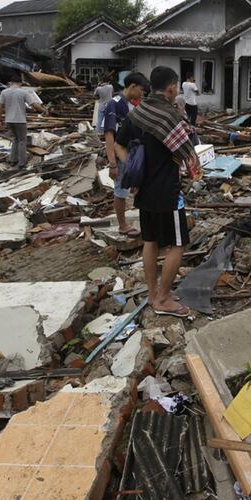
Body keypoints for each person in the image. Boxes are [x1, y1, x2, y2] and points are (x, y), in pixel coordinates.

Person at [115, 66, 201, 317]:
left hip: (144, 191)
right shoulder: (169, 117)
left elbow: (120, 146)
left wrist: (133, 167)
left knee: (150, 242)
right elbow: (190, 157)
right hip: (168, 192)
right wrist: (195, 170)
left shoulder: (137, 114)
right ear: (172, 88)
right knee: (177, 244)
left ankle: (153, 292)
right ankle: (163, 299)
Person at [103, 72, 149, 237]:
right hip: (119, 154)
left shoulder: (133, 105)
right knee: (120, 190)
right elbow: (109, 134)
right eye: (141, 90)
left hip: (133, 153)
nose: (142, 94)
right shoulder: (114, 104)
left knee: (137, 187)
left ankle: (142, 221)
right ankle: (122, 225)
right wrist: (112, 163)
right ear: (133, 87)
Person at [0, 72, 46, 168]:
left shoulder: (4, 92)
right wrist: (44, 110)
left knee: (15, 139)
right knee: (22, 140)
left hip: (9, 119)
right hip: (20, 120)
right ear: (20, 83)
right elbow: (34, 104)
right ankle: (22, 162)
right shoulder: (23, 92)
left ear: (10, 82)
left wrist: (0, 118)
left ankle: (13, 160)